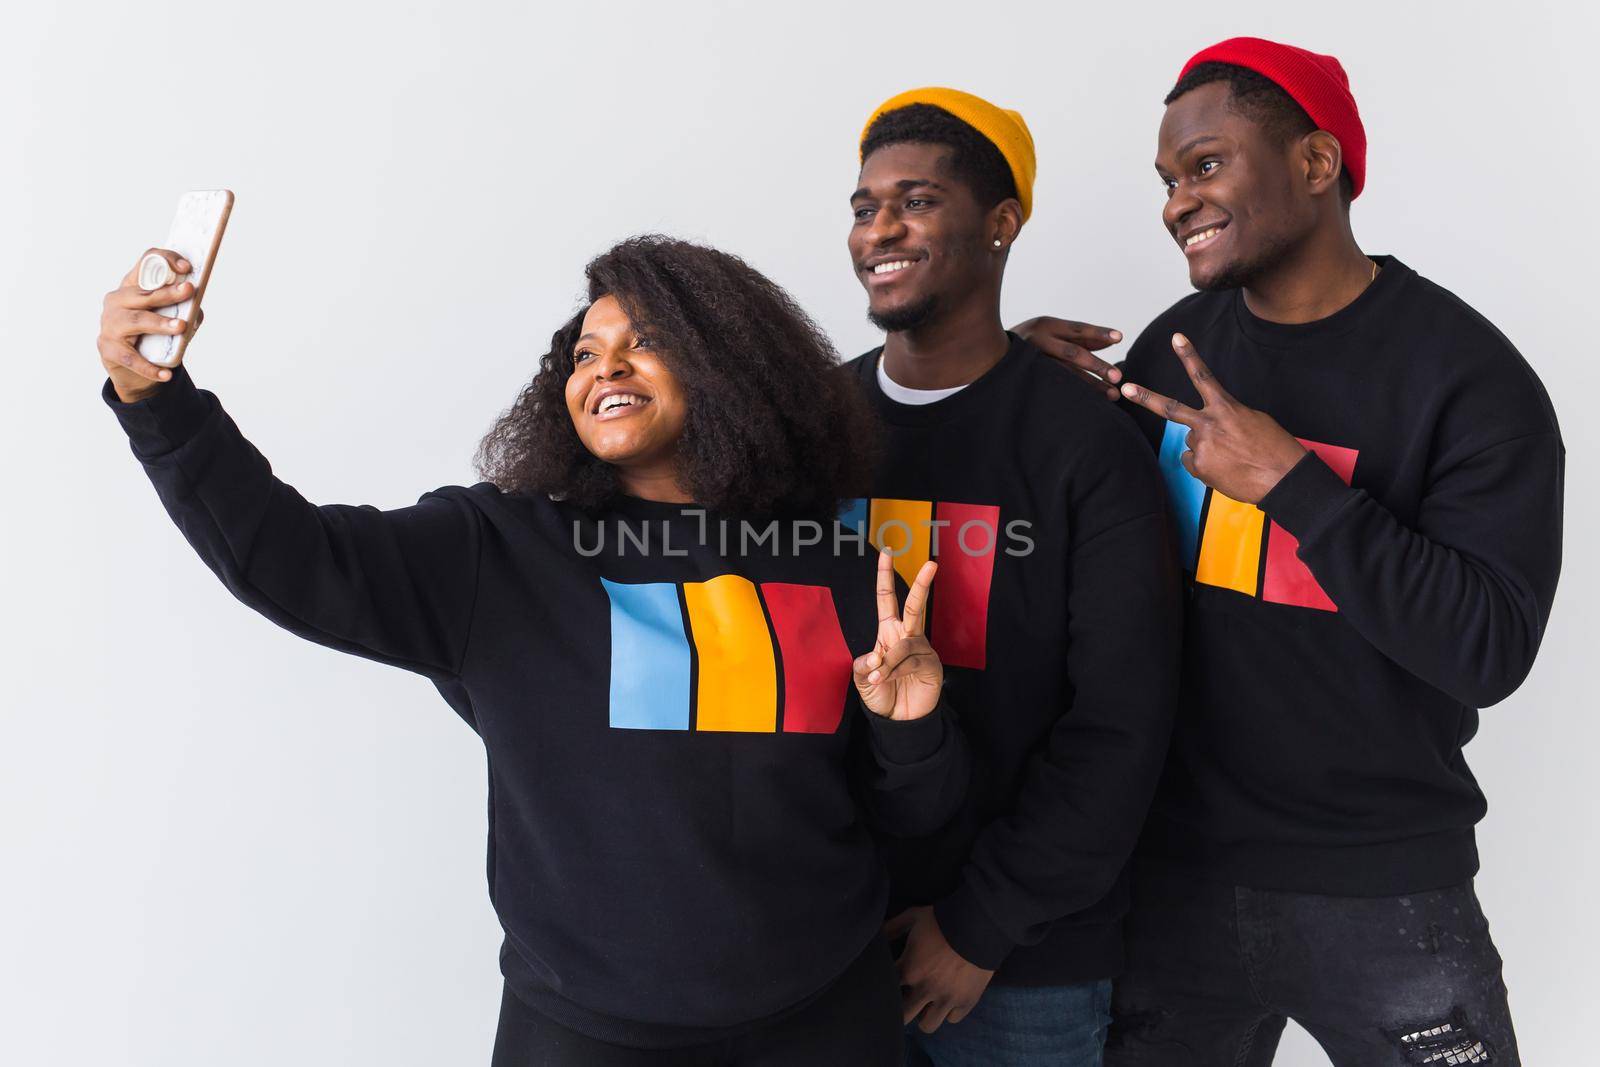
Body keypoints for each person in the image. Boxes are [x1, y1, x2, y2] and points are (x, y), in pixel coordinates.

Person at [98, 235, 973, 1065]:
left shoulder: (839, 563)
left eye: (647, 341)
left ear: (728, 365)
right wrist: (159, 406)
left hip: (823, 1017)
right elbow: (289, 558)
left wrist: (913, 726)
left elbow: (913, 825)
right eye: (585, 354)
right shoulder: (500, 550)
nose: (607, 369)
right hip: (588, 1031)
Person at [1103, 38, 1563, 1067]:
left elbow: (1489, 646)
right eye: (1168, 180)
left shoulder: (1469, 379)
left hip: (1385, 887)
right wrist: (1024, 390)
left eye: (1206, 164)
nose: (1178, 200)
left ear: (1317, 164)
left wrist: (1295, 486)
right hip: (1174, 875)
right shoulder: (1170, 347)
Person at [844, 88, 1183, 1066]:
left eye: (917, 199)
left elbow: (1119, 722)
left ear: (1000, 224)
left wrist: (979, 924)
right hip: (828, 945)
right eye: (864, 206)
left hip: (1019, 965)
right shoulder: (817, 425)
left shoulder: (1084, 446)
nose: (881, 228)